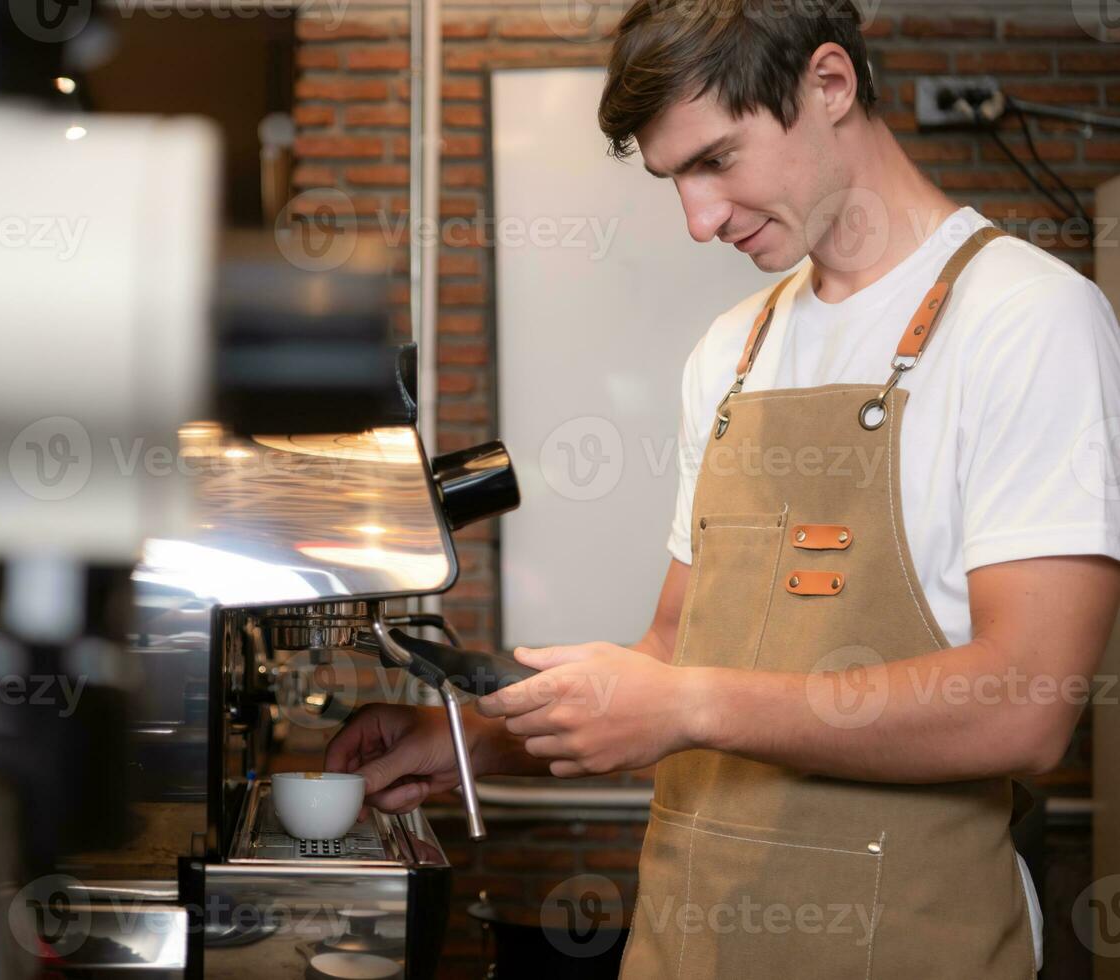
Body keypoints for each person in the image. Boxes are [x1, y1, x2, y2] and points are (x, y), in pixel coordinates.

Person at [324, 0, 1120, 975]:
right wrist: (477, 737)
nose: (699, 221)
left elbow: (1023, 704)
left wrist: (690, 705)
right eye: (674, 180)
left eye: (716, 160)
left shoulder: (1027, 320)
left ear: (830, 84)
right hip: (687, 943)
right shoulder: (734, 351)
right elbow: (674, 649)